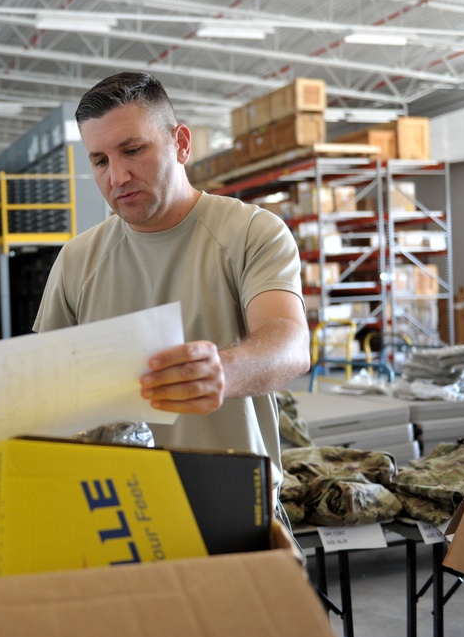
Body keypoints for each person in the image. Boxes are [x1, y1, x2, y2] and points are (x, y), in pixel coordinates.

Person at [33, 71, 310, 507]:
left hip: (231, 502)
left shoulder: (251, 232)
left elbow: (290, 343)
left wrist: (225, 370)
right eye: (100, 161)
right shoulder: (76, 260)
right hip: (115, 506)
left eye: (132, 150)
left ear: (181, 143)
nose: (117, 176)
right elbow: (45, 381)